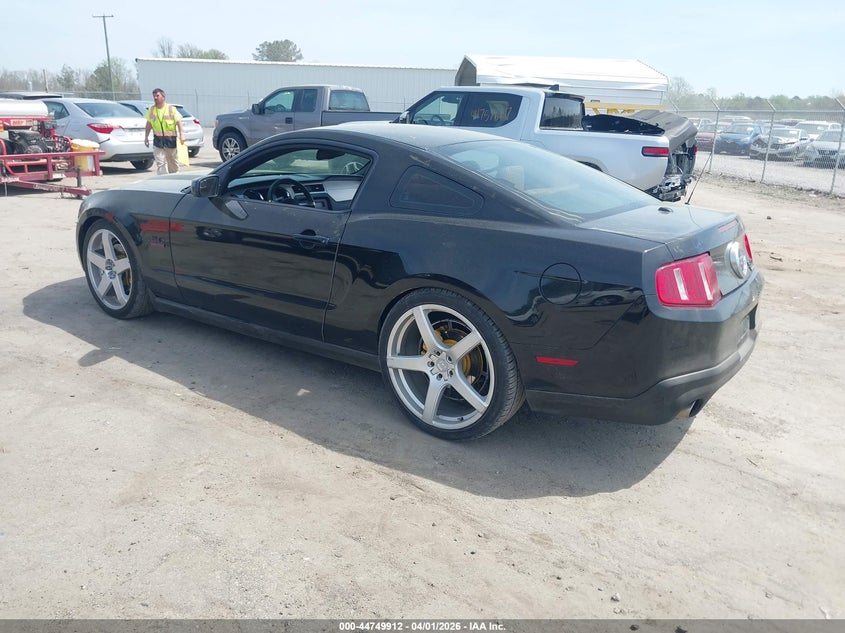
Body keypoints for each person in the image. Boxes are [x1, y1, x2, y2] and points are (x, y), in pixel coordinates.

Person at [144, 88, 184, 174]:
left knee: (172, 163)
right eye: (154, 96)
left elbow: (179, 122)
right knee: (160, 163)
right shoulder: (151, 110)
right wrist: (146, 137)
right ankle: (163, 180)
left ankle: (174, 179)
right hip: (158, 142)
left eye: (157, 95)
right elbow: (148, 124)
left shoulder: (171, 109)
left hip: (170, 140)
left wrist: (182, 135)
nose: (155, 98)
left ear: (163, 97)